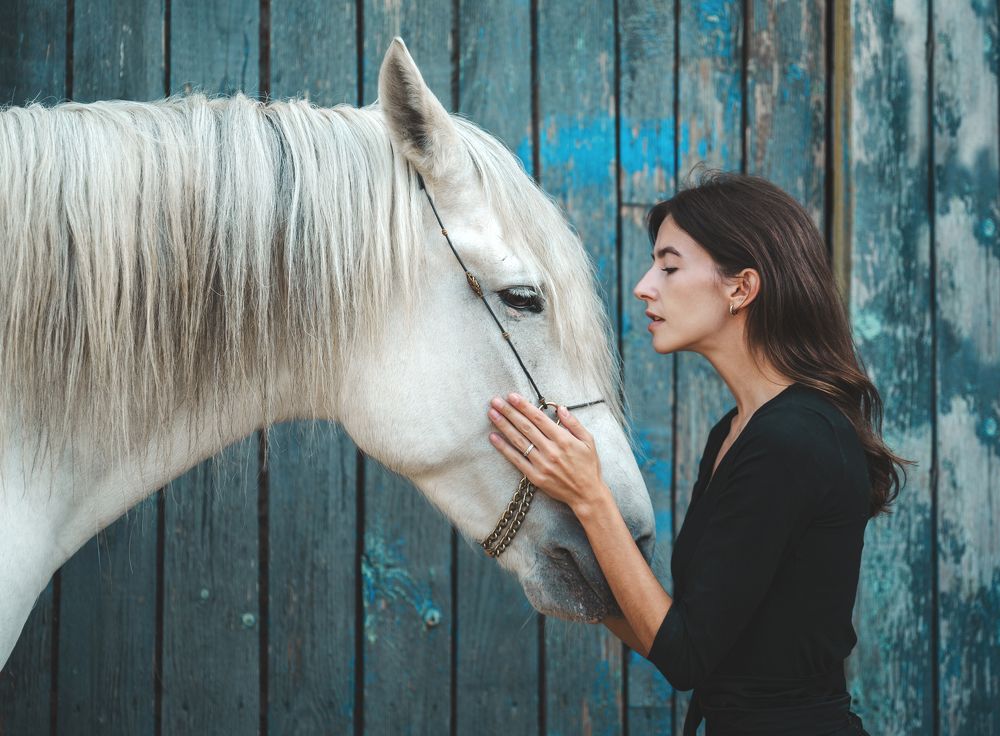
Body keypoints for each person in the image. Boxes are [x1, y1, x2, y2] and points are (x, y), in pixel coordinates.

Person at [486, 169, 912, 735]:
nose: (644, 286)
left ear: (741, 288)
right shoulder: (737, 431)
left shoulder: (794, 438)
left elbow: (684, 657)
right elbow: (672, 634)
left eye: (669, 266)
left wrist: (591, 496)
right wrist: (540, 546)